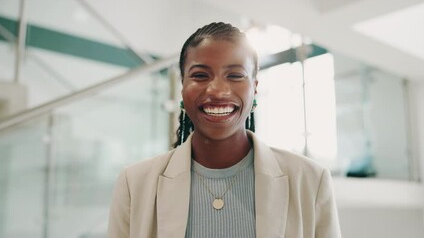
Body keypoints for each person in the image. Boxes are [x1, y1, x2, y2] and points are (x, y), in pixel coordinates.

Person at [108, 22, 341, 238]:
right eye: (200, 75)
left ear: (255, 88)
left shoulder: (311, 180)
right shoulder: (135, 183)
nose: (218, 90)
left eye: (235, 75)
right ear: (182, 87)